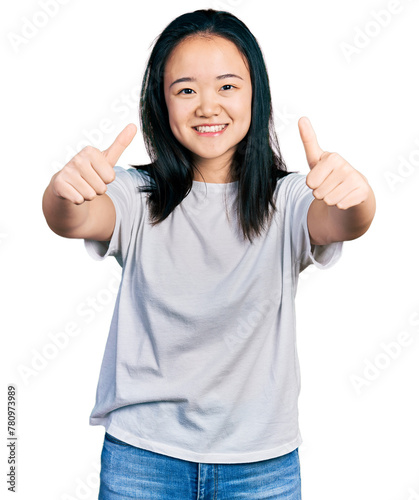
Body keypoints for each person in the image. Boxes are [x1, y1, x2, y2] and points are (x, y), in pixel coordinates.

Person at [42, 8, 376, 500]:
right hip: (144, 458)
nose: (207, 106)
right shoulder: (135, 194)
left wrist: (358, 196)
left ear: (255, 95)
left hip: (261, 466)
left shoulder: (288, 199)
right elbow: (72, 218)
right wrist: (61, 192)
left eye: (226, 86)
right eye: (185, 90)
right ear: (162, 103)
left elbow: (344, 220)